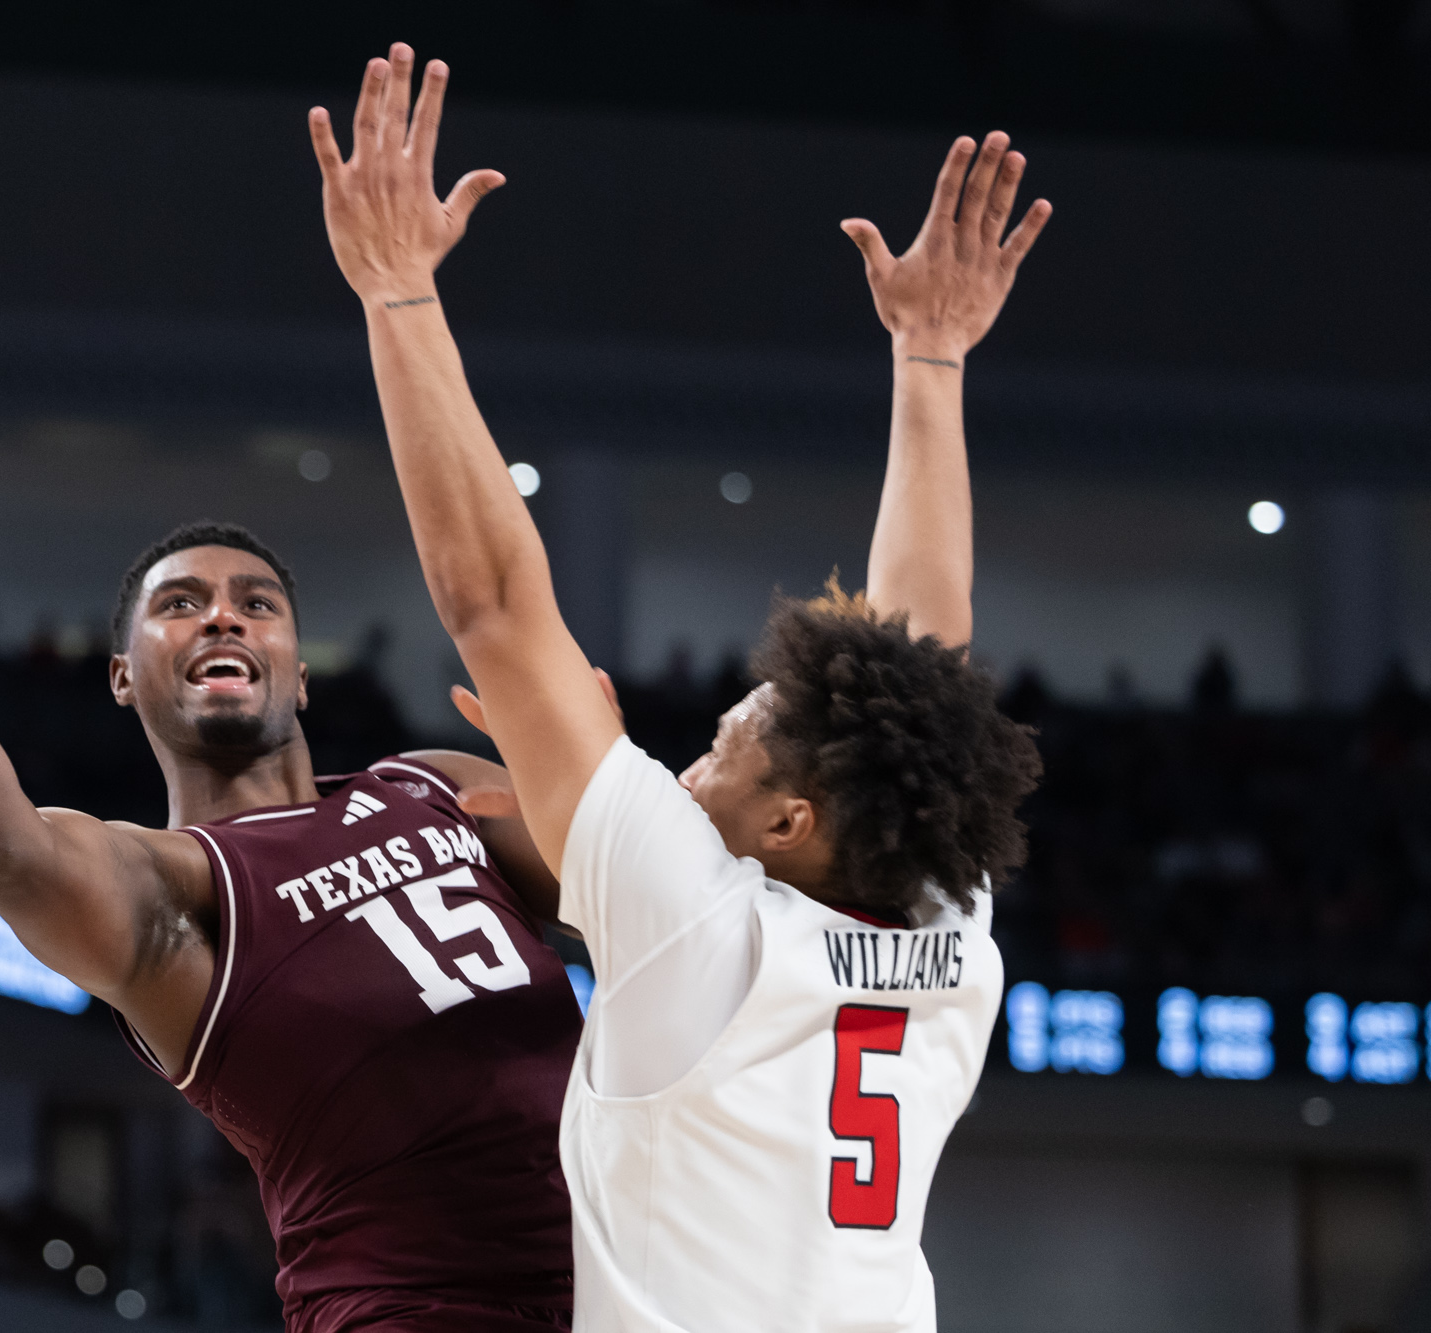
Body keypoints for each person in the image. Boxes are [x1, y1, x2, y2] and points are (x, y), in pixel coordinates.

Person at [310, 44, 1047, 1332]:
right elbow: (924, 648)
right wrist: (929, 360)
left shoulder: (696, 922)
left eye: (721, 748)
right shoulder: (941, 918)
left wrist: (394, 293)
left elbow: (491, 598)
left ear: (787, 826)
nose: (686, 764)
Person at [0, 500, 584, 1320]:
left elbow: (665, 903)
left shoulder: (434, 783)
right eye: (181, 604)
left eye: (258, 604)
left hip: (642, 1276)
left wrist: (602, 776)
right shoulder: (169, 887)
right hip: (420, 1309)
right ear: (123, 673)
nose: (223, 618)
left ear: (300, 672)